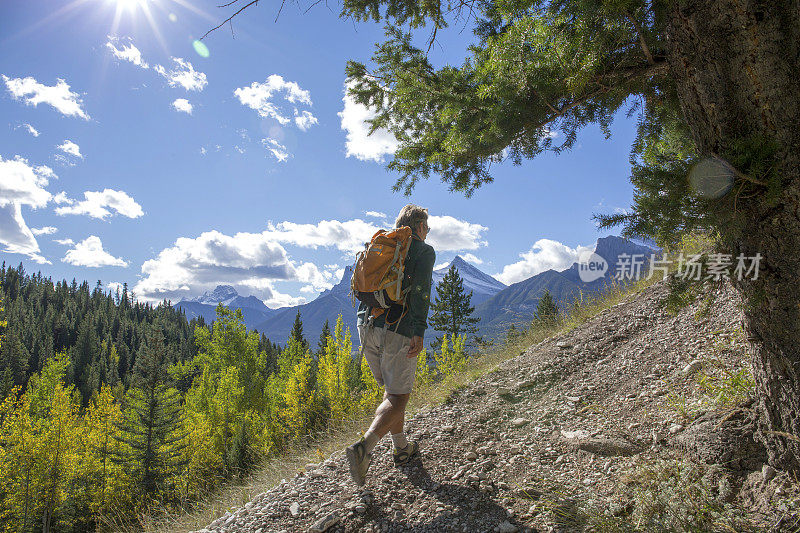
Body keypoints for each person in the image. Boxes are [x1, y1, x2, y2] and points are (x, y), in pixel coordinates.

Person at [345, 204, 436, 486]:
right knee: (398, 397)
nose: (428, 231)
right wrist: (419, 330)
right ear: (420, 227)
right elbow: (420, 291)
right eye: (427, 227)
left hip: (366, 326)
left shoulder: (383, 246)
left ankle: (401, 449)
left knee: (392, 392)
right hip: (398, 328)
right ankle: (364, 448)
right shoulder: (422, 250)